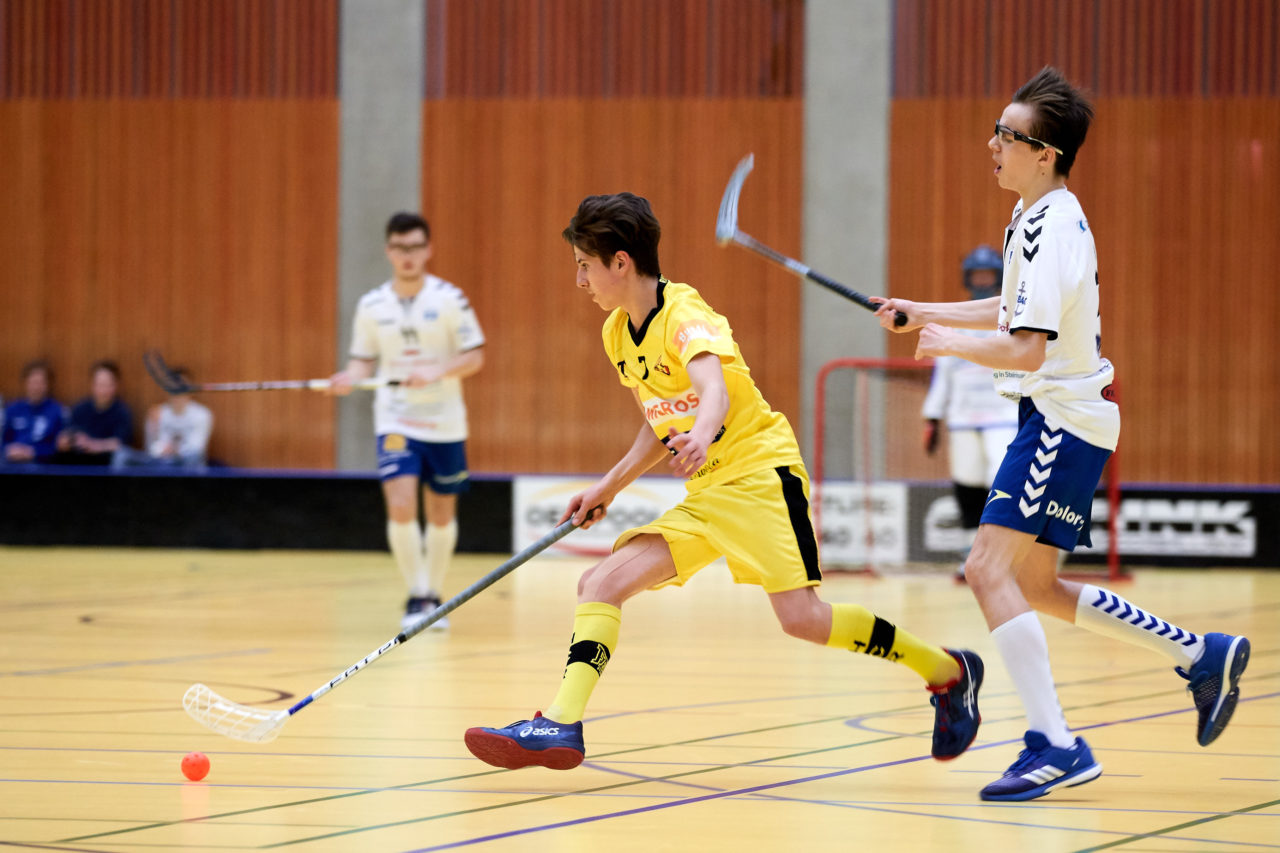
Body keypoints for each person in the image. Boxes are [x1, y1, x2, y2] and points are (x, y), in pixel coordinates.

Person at [463, 192, 983, 772]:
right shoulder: (617, 334)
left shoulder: (684, 314)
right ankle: (561, 725)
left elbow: (712, 390)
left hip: (760, 475)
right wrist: (608, 487)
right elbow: (657, 423)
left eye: (585, 264)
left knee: (804, 620)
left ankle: (949, 672)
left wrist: (704, 434)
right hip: (708, 492)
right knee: (600, 582)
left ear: (621, 262)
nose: (580, 278)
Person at [874, 66, 1249, 802]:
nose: (993, 145)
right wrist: (924, 310)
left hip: (1059, 418)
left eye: (1006, 136)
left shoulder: (1055, 228)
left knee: (987, 569)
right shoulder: (1031, 218)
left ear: (1045, 153)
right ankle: (1201, 653)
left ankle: (1054, 742)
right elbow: (1009, 312)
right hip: (1062, 416)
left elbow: (1026, 349)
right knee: (1034, 583)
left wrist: (945, 343)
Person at [328, 212, 486, 631]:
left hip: (446, 421)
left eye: (416, 247)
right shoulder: (371, 305)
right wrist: (349, 379)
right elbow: (362, 361)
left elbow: (474, 356)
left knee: (440, 512)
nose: (408, 255)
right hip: (396, 418)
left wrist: (436, 372)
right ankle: (417, 595)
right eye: (400, 248)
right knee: (399, 504)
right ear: (389, 251)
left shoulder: (451, 298)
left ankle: (432, 595)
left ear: (428, 249)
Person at [921, 246, 1020, 579]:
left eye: (987, 276)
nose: (981, 281)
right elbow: (942, 375)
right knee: (967, 483)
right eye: (976, 276)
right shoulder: (955, 321)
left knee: (1000, 480)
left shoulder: (1012, 319)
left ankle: (1004, 555)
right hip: (963, 419)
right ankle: (971, 554)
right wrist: (932, 417)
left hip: (1003, 415)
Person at [112, 367, 213, 470]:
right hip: (161, 464)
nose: (177, 390)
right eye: (173, 386)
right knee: (122, 456)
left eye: (181, 386)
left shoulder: (202, 414)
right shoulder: (157, 412)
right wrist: (160, 447)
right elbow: (151, 448)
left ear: (191, 390)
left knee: (193, 458)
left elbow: (196, 449)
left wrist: (174, 450)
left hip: (186, 464)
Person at [57, 360, 133, 466]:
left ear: (116, 386)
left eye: (108, 385)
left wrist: (93, 445)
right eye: (100, 385)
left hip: (107, 465)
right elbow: (66, 434)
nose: (103, 390)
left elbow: (120, 443)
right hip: (79, 463)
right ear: (93, 385)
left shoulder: (122, 411)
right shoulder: (80, 408)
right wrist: (67, 441)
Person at [2, 360, 65, 464]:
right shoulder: (13, 409)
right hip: (12, 465)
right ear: (26, 383)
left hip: (44, 466)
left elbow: (59, 447)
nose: (36, 387)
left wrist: (34, 452)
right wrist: (9, 450)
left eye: (40, 382)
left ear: (47, 385)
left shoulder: (57, 411)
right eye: (32, 382)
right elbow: (4, 441)